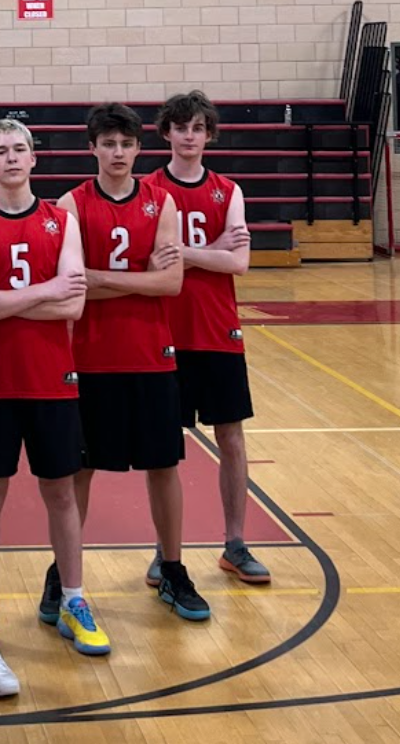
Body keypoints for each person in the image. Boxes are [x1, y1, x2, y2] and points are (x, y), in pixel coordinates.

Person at [0, 119, 109, 670]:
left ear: (33, 159)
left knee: (62, 494)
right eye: (1, 151)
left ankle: (73, 599)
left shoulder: (60, 222)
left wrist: (11, 298)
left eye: (20, 149)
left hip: (54, 380)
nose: (12, 158)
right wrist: (43, 291)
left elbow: (73, 305)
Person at [54, 103, 211, 622]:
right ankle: (63, 575)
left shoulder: (159, 202)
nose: (118, 153)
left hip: (152, 355)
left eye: (126, 144)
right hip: (90, 357)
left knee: (164, 465)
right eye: (108, 144)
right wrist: (134, 280)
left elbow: (171, 282)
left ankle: (172, 567)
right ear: (93, 148)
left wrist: (104, 279)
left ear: (139, 149)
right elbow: (73, 289)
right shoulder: (70, 206)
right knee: (81, 469)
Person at [144, 90, 270, 585]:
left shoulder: (228, 190)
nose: (190, 136)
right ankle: (164, 550)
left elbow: (238, 262)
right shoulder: (149, 189)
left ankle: (235, 543)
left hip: (218, 329)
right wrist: (209, 248)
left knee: (232, 438)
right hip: (163, 330)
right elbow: (151, 261)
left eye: (198, 128)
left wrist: (185, 252)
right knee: (163, 446)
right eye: (181, 128)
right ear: (168, 133)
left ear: (209, 134)